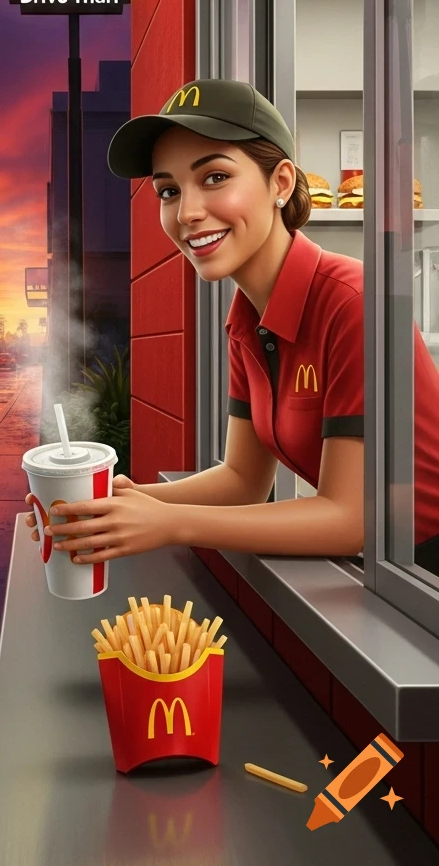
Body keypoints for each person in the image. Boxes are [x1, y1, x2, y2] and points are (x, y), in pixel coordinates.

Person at [25, 78, 439, 568]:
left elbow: (352, 520)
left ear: (280, 183)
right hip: (388, 571)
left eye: (215, 177)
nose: (188, 212)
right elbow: (244, 479)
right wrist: (126, 506)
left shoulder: (353, 303)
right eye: (169, 190)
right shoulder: (247, 317)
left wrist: (169, 523)